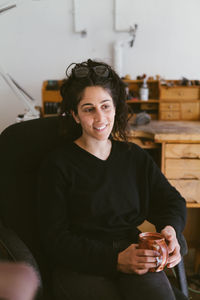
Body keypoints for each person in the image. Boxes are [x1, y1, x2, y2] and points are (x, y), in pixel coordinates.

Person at [37, 59, 187, 300]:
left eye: (106, 106)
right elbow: (54, 239)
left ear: (116, 107)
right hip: (80, 263)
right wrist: (115, 259)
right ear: (75, 115)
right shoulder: (57, 165)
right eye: (89, 109)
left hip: (134, 252)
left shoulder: (134, 157)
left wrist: (171, 230)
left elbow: (172, 201)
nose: (100, 118)